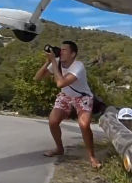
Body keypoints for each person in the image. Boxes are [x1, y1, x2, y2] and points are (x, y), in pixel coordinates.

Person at [34, 40, 101, 169]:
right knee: (53, 121)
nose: (61, 51)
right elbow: (37, 78)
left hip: (82, 97)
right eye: (61, 49)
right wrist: (48, 61)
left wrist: (53, 61)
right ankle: (59, 149)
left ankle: (92, 156)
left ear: (72, 54)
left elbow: (60, 83)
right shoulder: (57, 62)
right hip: (66, 96)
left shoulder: (78, 66)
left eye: (64, 50)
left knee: (84, 125)